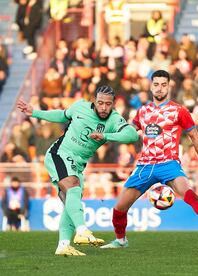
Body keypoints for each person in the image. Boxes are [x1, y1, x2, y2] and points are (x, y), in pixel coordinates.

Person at [101, 70, 198, 249]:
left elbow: (194, 136)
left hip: (169, 163)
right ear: (151, 86)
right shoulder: (142, 111)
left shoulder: (178, 110)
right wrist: (107, 135)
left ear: (169, 86)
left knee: (188, 192)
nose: (159, 88)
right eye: (156, 84)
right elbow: (129, 133)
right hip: (145, 166)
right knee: (119, 208)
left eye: (163, 84)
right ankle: (120, 241)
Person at [17, 85, 139, 256]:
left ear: (113, 104)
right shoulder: (80, 107)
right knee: (73, 186)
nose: (104, 108)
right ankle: (82, 230)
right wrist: (35, 112)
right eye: (100, 103)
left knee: (71, 203)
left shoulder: (113, 120)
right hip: (59, 154)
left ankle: (63, 245)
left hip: (78, 165)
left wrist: (106, 136)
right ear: (93, 101)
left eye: (108, 104)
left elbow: (132, 135)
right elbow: (61, 115)